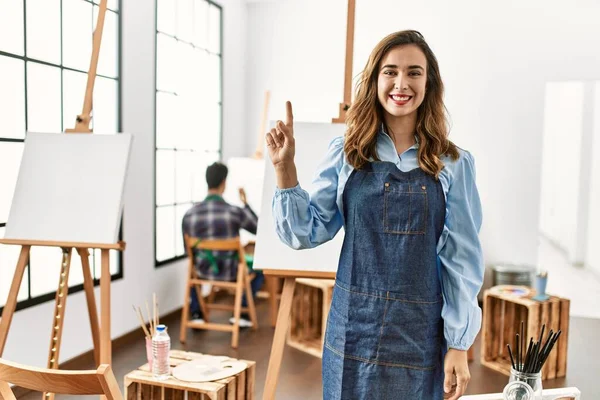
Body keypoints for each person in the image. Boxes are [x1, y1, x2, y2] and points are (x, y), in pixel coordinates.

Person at [266, 30, 484, 399]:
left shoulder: (453, 163)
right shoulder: (346, 152)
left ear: (428, 83)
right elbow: (306, 232)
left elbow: (462, 259)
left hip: (419, 333)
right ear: (375, 80)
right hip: (353, 331)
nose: (402, 83)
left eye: (414, 72)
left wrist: (459, 343)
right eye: (391, 71)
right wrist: (285, 169)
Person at [182, 162, 263, 328]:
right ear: (223, 183)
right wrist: (246, 203)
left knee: (192, 267)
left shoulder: (189, 215)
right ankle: (241, 313)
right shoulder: (234, 212)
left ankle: (197, 313)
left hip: (202, 272)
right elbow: (258, 229)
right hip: (230, 272)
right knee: (260, 270)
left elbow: (187, 251)